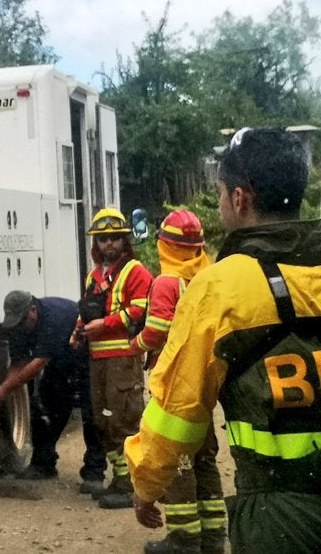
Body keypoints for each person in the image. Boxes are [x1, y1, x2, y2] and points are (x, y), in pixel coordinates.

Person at [125, 127, 321, 554]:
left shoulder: (221, 290)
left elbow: (177, 412)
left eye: (219, 193)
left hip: (279, 517)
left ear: (239, 198)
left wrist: (146, 482)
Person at [129, 210, 224, 553]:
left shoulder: (168, 282)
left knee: (179, 460)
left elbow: (156, 330)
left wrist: (135, 345)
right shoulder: (209, 275)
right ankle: (213, 537)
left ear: (165, 246)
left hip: (174, 383)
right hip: (205, 378)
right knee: (205, 458)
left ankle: (184, 539)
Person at [72, 207, 153, 509]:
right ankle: (120, 479)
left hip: (123, 358)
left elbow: (140, 310)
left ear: (123, 240)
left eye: (114, 238)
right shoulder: (94, 276)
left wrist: (104, 325)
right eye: (103, 239)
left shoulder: (136, 272)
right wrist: (78, 330)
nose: (108, 244)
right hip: (97, 360)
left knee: (124, 421)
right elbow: (88, 311)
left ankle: (132, 483)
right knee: (102, 422)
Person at [0, 291, 106, 486]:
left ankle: (94, 473)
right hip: (58, 365)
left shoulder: (54, 317)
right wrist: (4, 386)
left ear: (33, 311)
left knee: (90, 417)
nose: (20, 328)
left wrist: (5, 389)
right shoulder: (20, 326)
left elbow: (38, 363)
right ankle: (43, 464)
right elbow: (18, 362)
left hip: (85, 362)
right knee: (45, 411)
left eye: (22, 322)